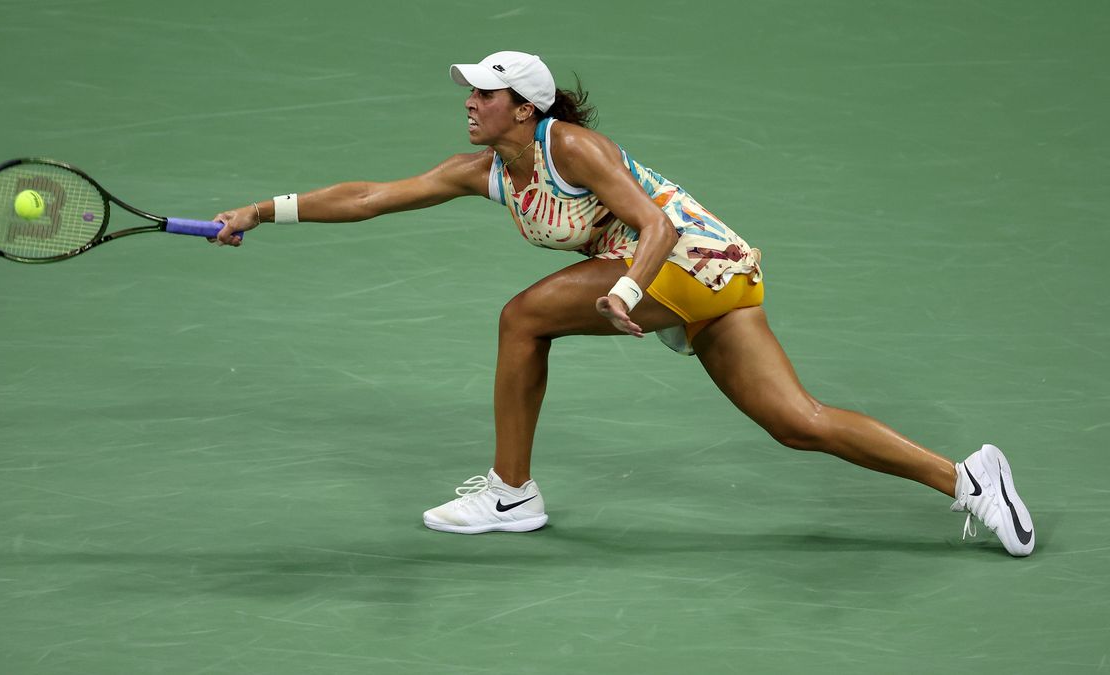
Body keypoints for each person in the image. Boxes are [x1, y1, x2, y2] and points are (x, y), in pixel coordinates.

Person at [211, 51, 1036, 556]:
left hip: (683, 259)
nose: (468, 101)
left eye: (484, 94)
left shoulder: (571, 147)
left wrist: (629, 290)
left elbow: (654, 224)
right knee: (796, 421)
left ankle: (511, 492)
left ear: (524, 107)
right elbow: (369, 196)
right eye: (468, 91)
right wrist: (260, 210)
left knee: (521, 316)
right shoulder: (485, 170)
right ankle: (966, 477)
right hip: (693, 279)